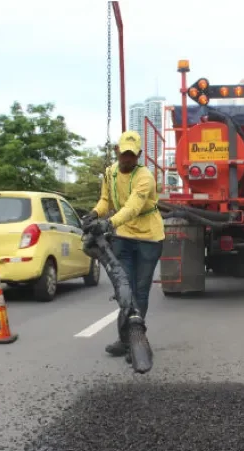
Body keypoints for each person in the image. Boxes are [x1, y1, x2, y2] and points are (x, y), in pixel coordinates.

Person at [82, 130, 165, 358]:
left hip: (149, 238)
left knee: (140, 291)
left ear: (138, 155)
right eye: (124, 154)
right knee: (123, 289)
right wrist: (93, 213)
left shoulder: (145, 177)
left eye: (132, 155)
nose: (127, 159)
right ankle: (126, 339)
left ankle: (135, 340)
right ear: (117, 151)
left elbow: (132, 208)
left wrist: (108, 223)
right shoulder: (110, 173)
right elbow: (106, 200)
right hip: (124, 236)